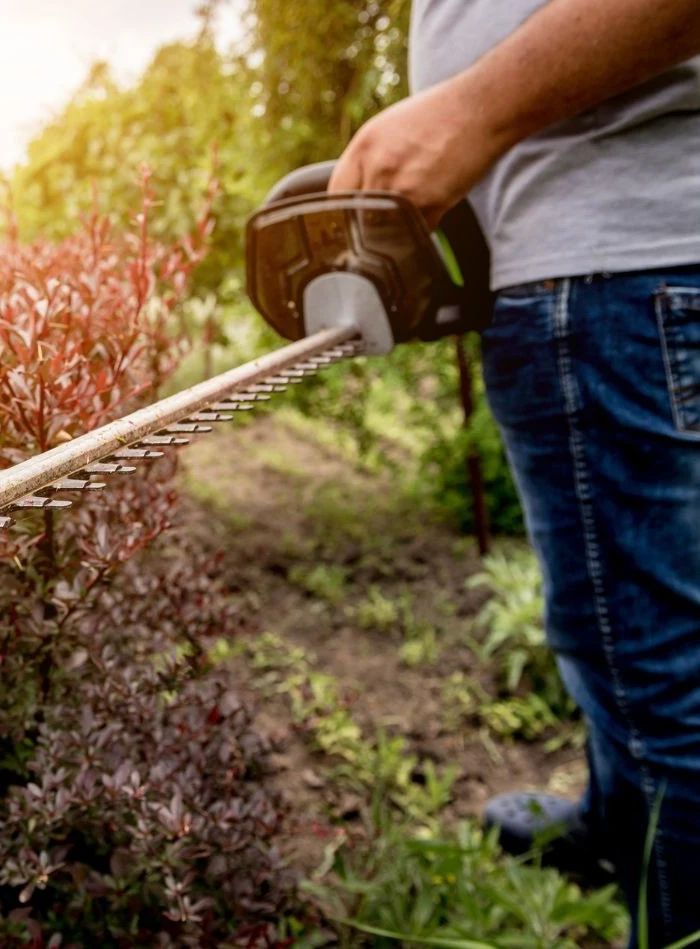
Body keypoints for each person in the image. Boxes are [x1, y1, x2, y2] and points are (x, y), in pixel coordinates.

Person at [330, 0, 700, 942]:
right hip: (614, 259)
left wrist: (470, 111)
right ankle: (619, 817)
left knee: (653, 672)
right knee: (621, 623)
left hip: (613, 268)